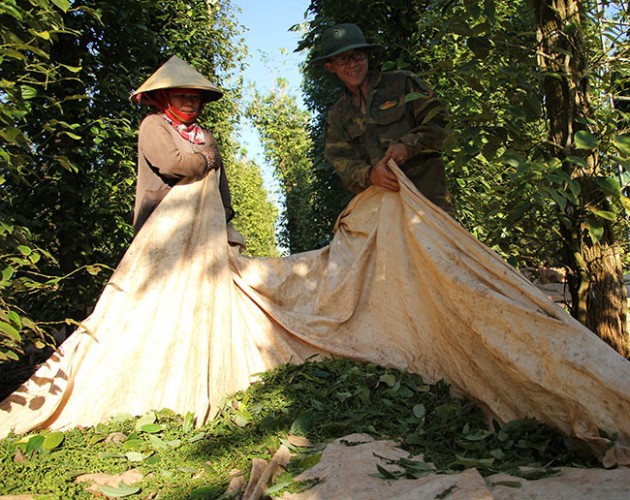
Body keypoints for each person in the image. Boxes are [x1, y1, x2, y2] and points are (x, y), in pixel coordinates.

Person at [313, 23, 454, 214]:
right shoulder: (338, 116)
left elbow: (440, 124)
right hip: (381, 213)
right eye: (343, 59)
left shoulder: (403, 84)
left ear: (368, 55)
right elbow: (342, 164)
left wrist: (408, 146)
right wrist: (370, 175)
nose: (352, 64)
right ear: (330, 67)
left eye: (358, 56)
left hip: (429, 205)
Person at [130, 55, 234, 233]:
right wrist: (205, 159)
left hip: (201, 222)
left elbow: (219, 178)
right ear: (165, 98)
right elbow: (171, 164)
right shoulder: (155, 124)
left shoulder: (205, 136)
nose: (189, 102)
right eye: (181, 96)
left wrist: (225, 210)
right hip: (160, 222)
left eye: (194, 97)